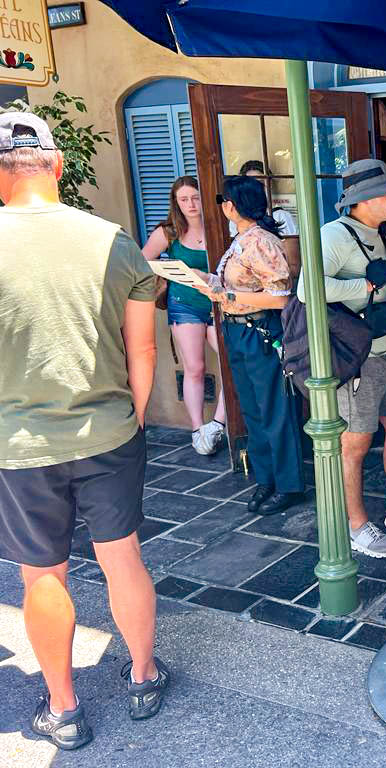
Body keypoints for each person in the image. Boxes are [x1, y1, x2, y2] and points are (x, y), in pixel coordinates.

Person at [0, 113, 169, 750]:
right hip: (109, 432)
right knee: (122, 557)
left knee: (42, 573)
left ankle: (64, 709)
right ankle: (143, 676)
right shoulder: (112, 241)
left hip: (19, 444)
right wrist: (134, 417)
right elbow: (143, 350)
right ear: (58, 164)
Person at [296, 159, 386, 559]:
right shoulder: (334, 235)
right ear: (363, 199)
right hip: (358, 358)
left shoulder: (376, 233)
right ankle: (355, 526)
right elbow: (307, 289)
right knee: (354, 443)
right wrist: (363, 286)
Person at [192, 175, 305, 516]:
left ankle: (288, 484)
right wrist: (207, 282)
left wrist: (225, 295)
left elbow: (280, 297)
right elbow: (237, 286)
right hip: (238, 330)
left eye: (223, 200)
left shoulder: (261, 242)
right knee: (253, 410)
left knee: (273, 408)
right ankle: (266, 478)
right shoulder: (241, 240)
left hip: (260, 331)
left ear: (232, 205)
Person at [141, 176, 227, 455]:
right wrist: (168, 272)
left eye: (195, 197)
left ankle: (218, 424)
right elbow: (142, 261)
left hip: (218, 304)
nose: (191, 204)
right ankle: (197, 430)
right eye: (184, 199)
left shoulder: (220, 226)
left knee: (231, 362)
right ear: (176, 203)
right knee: (195, 367)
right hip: (184, 305)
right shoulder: (168, 232)